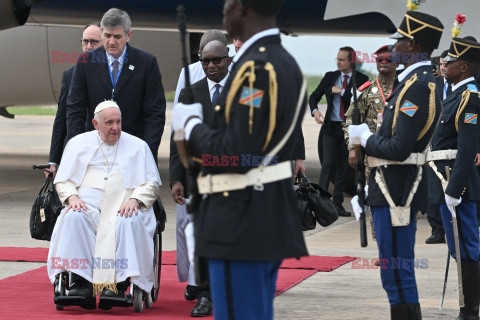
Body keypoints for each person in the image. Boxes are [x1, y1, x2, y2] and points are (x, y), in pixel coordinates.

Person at [171, 0, 309, 318]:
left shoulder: (254, 70)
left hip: (241, 218)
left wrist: (191, 124)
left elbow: (235, 152)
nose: (225, 13)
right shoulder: (282, 61)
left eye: (229, 6)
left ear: (244, 10)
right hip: (263, 212)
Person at [349, 10, 443, 319]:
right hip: (389, 187)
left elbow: (400, 148)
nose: (394, 48)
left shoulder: (418, 85)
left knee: (398, 273)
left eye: (400, 41)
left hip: (397, 191)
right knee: (393, 272)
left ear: (413, 46)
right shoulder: (413, 82)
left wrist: (365, 139)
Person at [47, 100, 161, 310]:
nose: (115, 128)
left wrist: (135, 200)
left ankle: (118, 285)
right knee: (74, 216)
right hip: (87, 205)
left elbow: (152, 184)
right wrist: (72, 197)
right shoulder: (78, 143)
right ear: (95, 124)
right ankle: (82, 284)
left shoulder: (138, 146)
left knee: (128, 221)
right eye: (109, 123)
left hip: (123, 205)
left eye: (118, 122)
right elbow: (62, 180)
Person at [170, 40, 232, 317]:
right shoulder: (189, 93)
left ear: (228, 60)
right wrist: (176, 178)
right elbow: (178, 138)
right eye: (205, 61)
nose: (211, 66)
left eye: (216, 60)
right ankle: (205, 294)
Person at [66, 8, 166, 162]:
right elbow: (75, 110)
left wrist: (147, 153)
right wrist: (78, 149)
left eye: (117, 36)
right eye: (107, 36)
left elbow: (155, 114)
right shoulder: (86, 61)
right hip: (94, 151)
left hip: (134, 151)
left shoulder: (146, 63)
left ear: (129, 35)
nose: (111, 42)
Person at [428, 36, 480, 320]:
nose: (443, 64)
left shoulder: (469, 97)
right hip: (444, 177)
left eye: (450, 62)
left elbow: (467, 147)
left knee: (467, 247)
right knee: (456, 247)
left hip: (456, 182)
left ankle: (470, 310)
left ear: (463, 67)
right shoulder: (454, 94)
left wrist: (455, 189)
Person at [344, 44, 397, 238]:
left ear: (397, 62)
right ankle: (382, 244)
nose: (383, 63)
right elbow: (351, 120)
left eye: (388, 59)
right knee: (375, 199)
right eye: (379, 59)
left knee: (399, 200)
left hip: (399, 154)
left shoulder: (405, 87)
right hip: (372, 157)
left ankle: (397, 245)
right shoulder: (367, 90)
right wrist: (353, 148)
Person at [309, 46, 369, 217]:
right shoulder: (330, 77)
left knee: (344, 167)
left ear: (351, 61)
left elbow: (358, 101)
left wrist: (341, 91)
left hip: (349, 128)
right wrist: (315, 111)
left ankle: (337, 204)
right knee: (328, 164)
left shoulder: (362, 78)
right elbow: (314, 96)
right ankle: (318, 202)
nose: (339, 63)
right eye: (337, 59)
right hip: (331, 127)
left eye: (342, 60)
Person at [45, 22, 103, 178]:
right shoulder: (69, 75)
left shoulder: (113, 74)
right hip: (76, 149)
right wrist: (54, 160)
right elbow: (61, 119)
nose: (89, 46)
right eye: (85, 41)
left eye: (94, 42)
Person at [173, 30, 228, 105]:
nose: (210, 65)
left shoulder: (239, 74)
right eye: (203, 54)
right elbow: (179, 107)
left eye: (216, 59)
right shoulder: (188, 72)